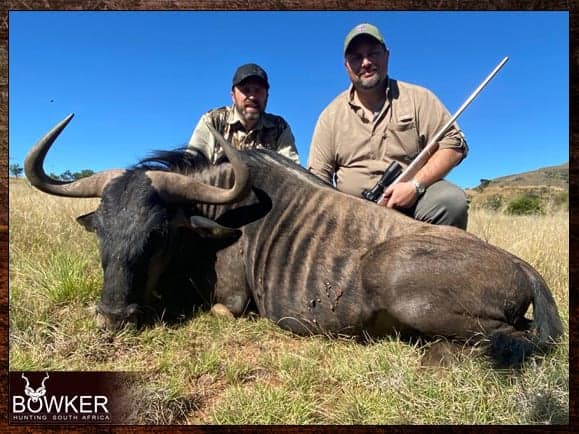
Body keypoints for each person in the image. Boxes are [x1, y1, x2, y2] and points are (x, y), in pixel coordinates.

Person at [307, 23, 469, 229]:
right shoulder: (330, 116)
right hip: (352, 216)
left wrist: (415, 186)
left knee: (451, 201)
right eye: (356, 57)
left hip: (413, 203)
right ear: (346, 65)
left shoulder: (418, 98)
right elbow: (317, 178)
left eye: (373, 53)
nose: (366, 62)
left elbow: (453, 146)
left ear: (386, 55)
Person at [188, 63, 300, 164]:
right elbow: (192, 167)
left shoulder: (280, 127)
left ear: (266, 97)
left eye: (258, 90)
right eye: (245, 90)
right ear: (233, 96)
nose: (252, 96)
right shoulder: (213, 120)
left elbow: (293, 172)